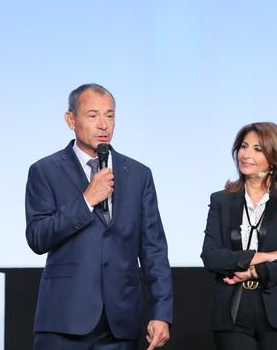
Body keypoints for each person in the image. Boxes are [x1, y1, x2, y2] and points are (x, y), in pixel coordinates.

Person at [25, 83, 173, 350]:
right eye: (93, 116)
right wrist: (86, 201)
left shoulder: (138, 174)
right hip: (64, 320)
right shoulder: (45, 170)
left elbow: (154, 249)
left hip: (119, 323)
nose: (103, 124)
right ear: (71, 120)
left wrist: (161, 312)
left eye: (110, 115)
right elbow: (38, 236)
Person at [201, 122, 277, 350]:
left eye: (257, 149)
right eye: (243, 146)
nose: (246, 154)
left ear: (275, 156)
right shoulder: (221, 200)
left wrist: (253, 272)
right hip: (233, 313)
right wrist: (264, 256)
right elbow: (211, 256)